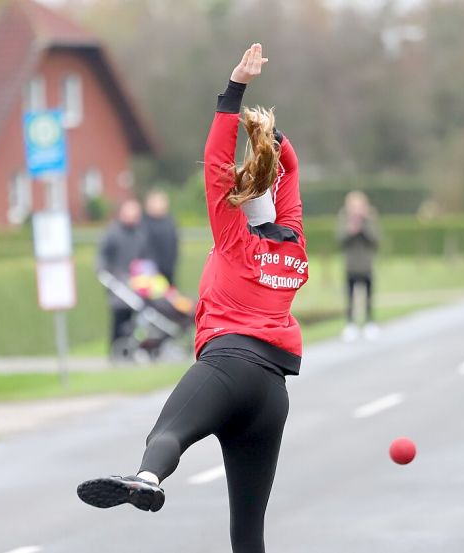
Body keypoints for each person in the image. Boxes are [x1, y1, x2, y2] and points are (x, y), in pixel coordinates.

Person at [77, 44, 308, 553]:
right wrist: (275, 142)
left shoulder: (234, 239)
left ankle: (149, 480)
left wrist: (233, 94)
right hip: (271, 395)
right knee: (248, 534)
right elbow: (289, 177)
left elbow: (216, 164)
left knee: (168, 433)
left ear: (237, 208)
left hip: (227, 367)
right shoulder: (293, 248)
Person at [97, 198, 148, 350]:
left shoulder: (140, 235)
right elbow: (102, 257)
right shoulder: (112, 233)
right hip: (117, 284)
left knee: (134, 319)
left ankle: (131, 349)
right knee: (119, 318)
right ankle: (115, 349)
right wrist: (106, 274)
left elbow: (143, 257)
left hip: (135, 284)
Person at [338, 190, 380, 341]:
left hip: (366, 265)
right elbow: (340, 240)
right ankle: (350, 325)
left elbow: (376, 240)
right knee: (350, 297)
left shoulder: (370, 217)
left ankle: (369, 323)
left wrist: (363, 226)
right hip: (350, 265)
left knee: (368, 297)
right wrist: (351, 229)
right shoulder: (344, 217)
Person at [142, 189, 180, 286]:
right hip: (150, 271)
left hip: (169, 269)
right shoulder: (143, 223)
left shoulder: (170, 221)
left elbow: (174, 244)